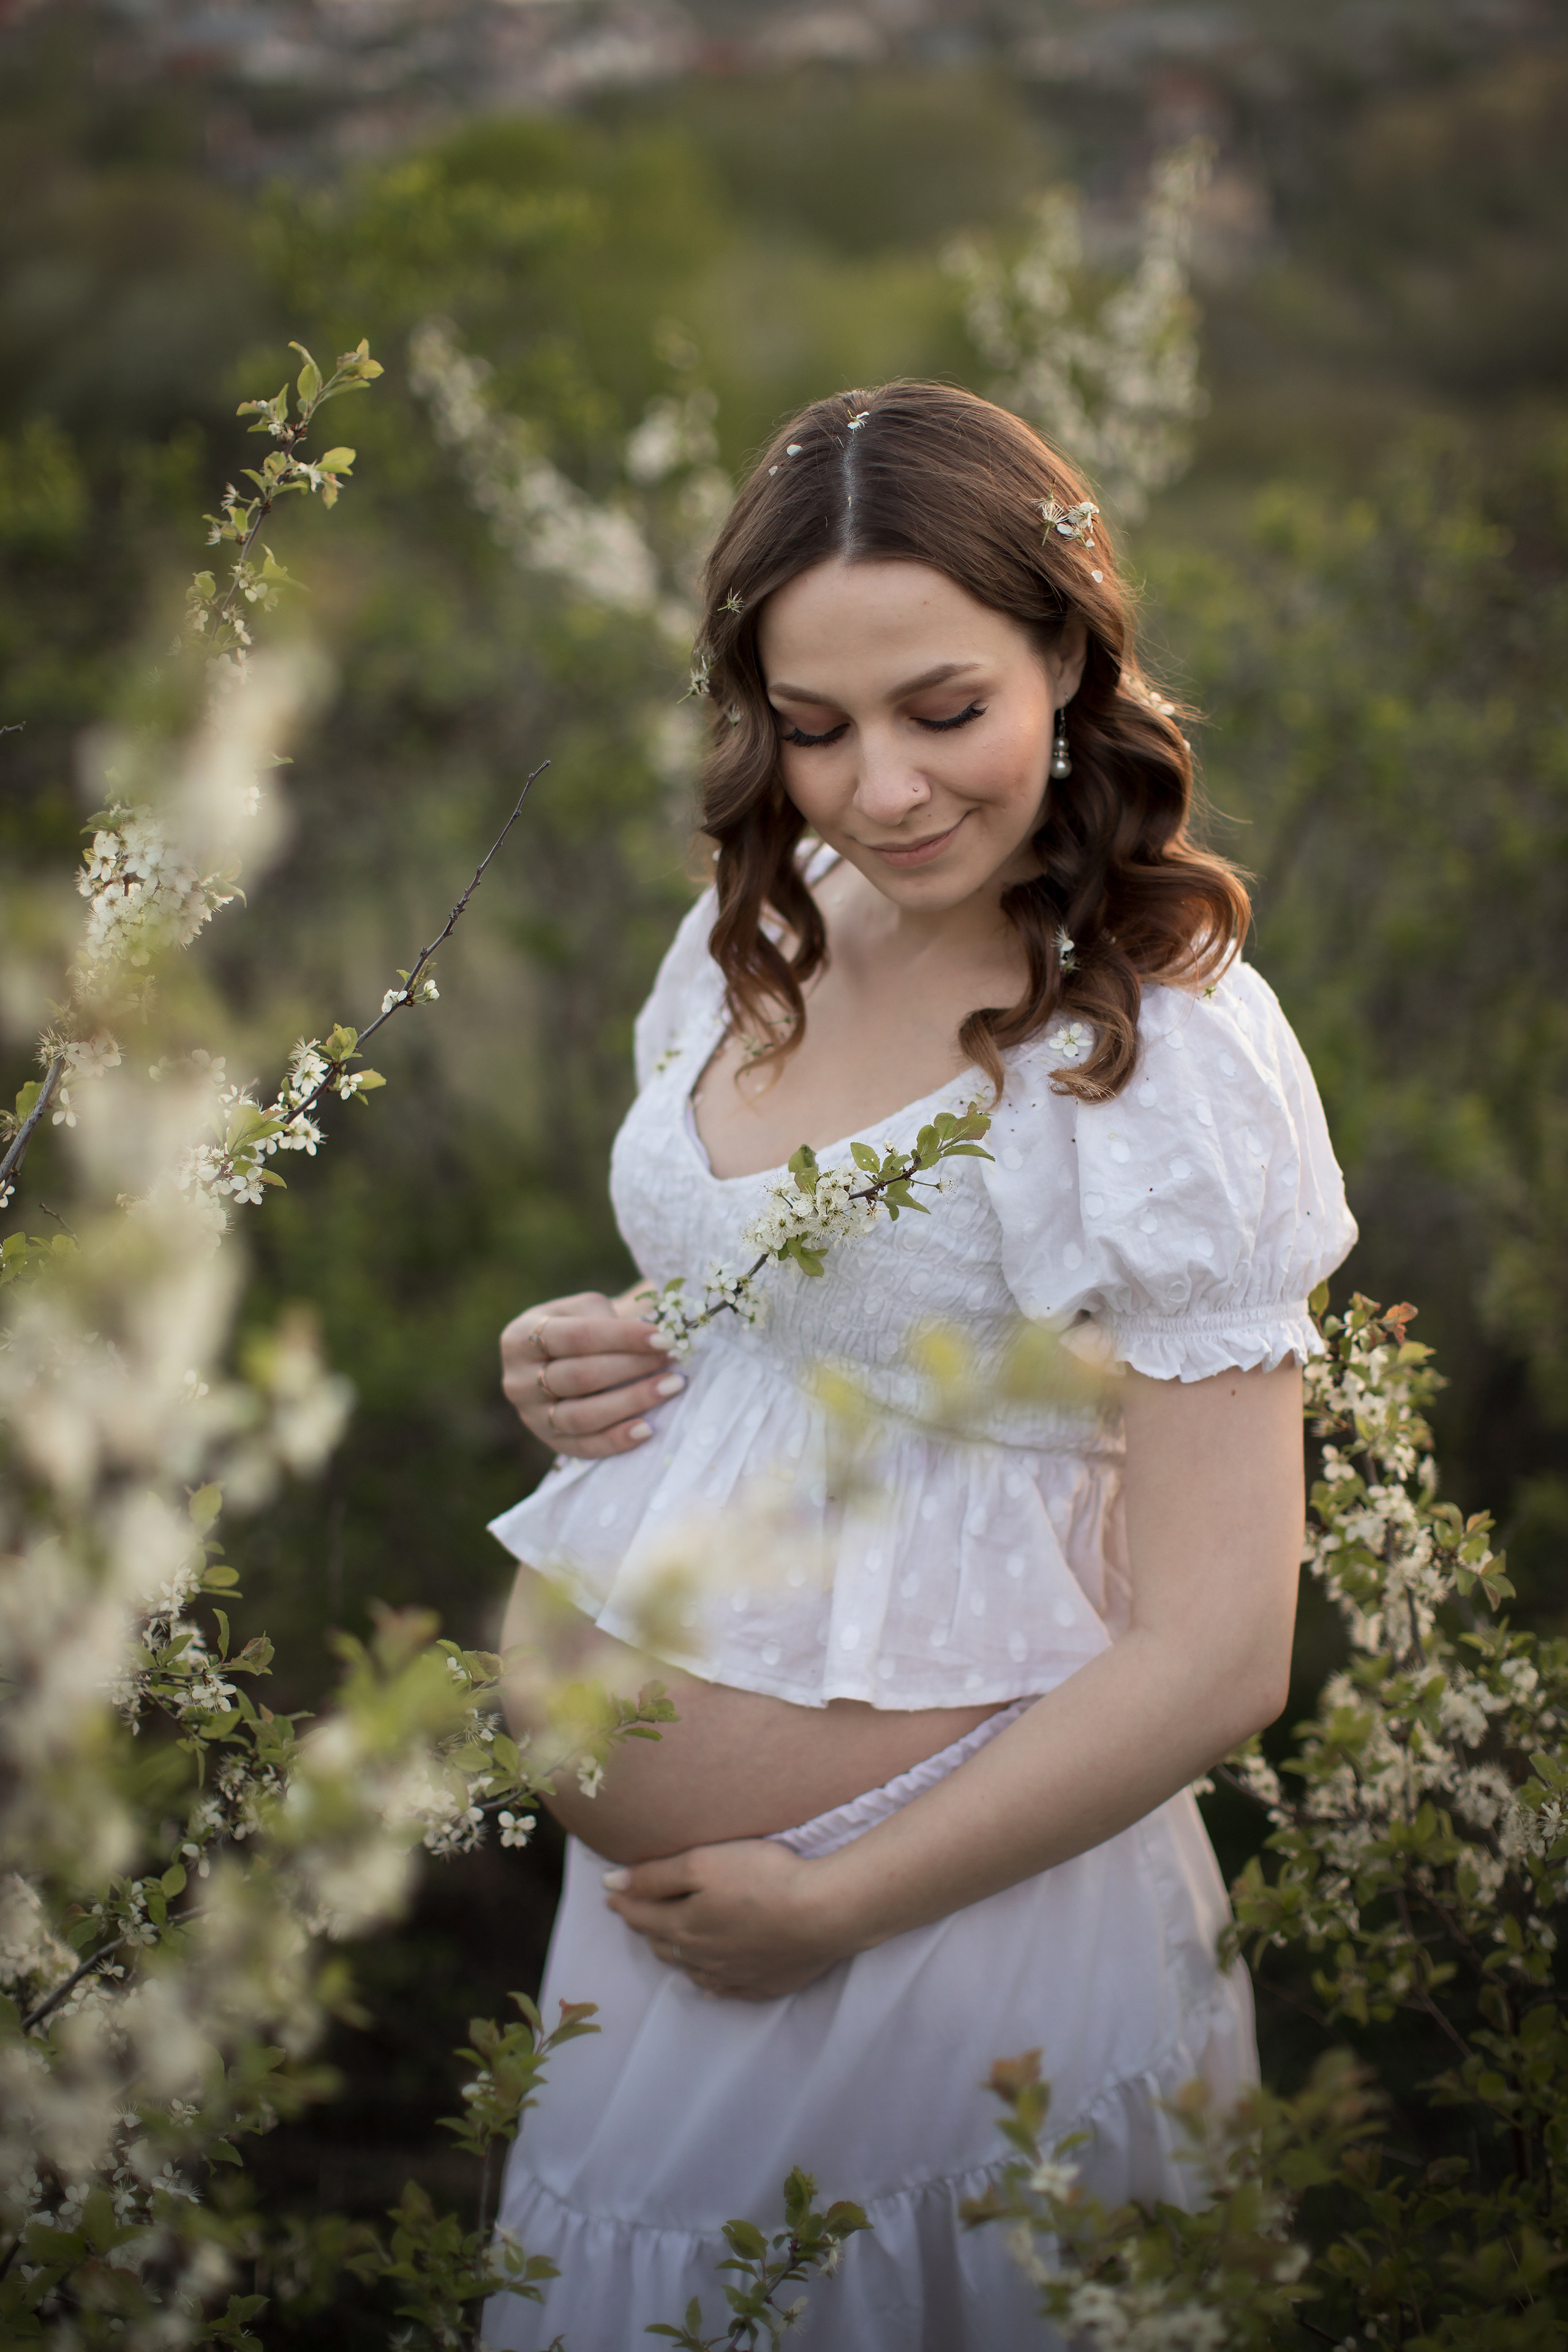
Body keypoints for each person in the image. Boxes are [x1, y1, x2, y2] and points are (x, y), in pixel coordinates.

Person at [482, 382, 1356, 2350]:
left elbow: (1228, 1648)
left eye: (942, 709)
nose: (879, 788)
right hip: (667, 1942)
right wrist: (580, 1355)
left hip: (953, 1918)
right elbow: (773, 1317)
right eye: (815, 729)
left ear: (1067, 652)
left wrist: (841, 1905)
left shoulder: (1152, 1050)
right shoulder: (753, 940)